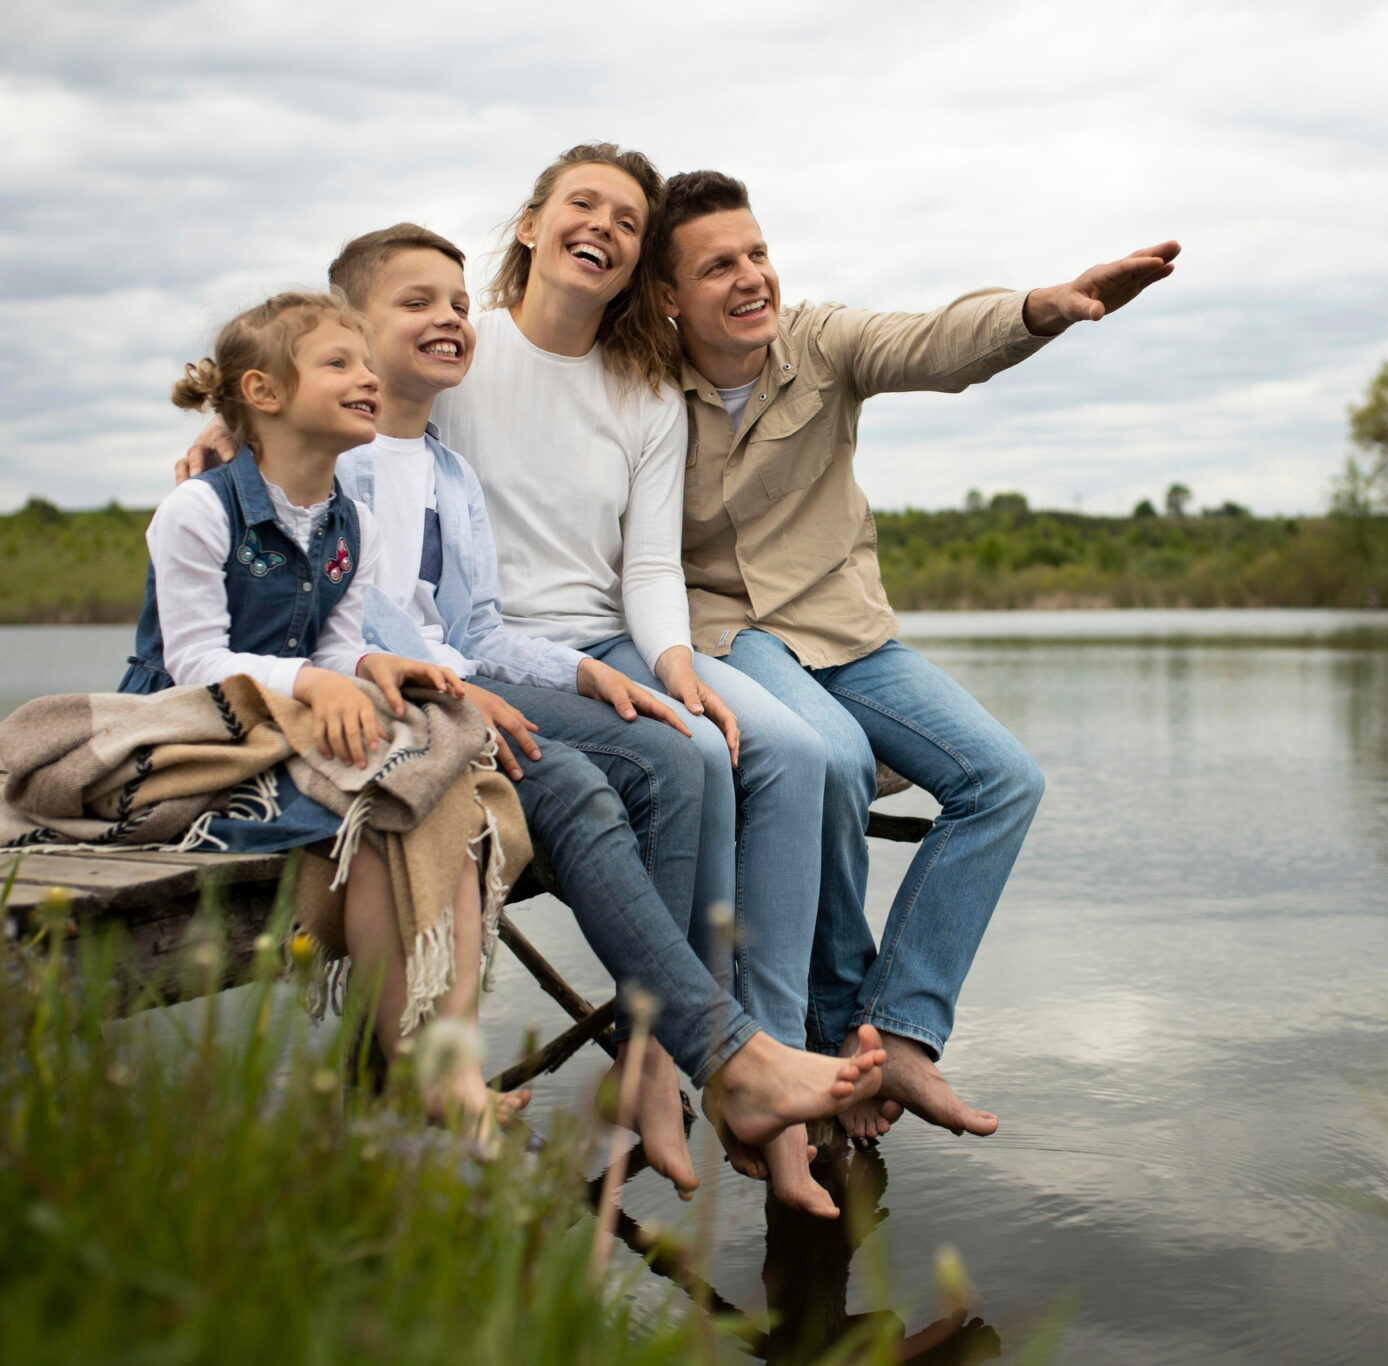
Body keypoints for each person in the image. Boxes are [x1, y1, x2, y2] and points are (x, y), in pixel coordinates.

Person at [179, 223, 887, 1202]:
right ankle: (730, 1056)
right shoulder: (309, 461)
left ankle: (662, 1055)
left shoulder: (449, 474)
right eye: (419, 303)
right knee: (577, 787)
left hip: (447, 689)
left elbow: (473, 625)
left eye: (461, 306)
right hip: (354, 710)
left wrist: (585, 672)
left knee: (680, 748)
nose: (451, 320)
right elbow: (318, 625)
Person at [653, 169, 1179, 1142]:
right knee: (832, 762)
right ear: (667, 295)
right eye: (718, 265)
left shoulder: (816, 343)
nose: (750, 278)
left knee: (1002, 779)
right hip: (727, 635)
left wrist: (1040, 309)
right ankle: (825, 1035)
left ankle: (896, 1027)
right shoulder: (640, 387)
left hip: (844, 632)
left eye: (757, 252)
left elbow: (935, 342)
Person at [428, 143, 845, 1215]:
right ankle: (673, 1060)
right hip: (476, 653)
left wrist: (672, 666)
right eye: (583, 205)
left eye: (626, 220)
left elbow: (649, 567)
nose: (604, 227)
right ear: (530, 225)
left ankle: (686, 1056)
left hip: (605, 642)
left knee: (716, 736)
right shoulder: (454, 352)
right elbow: (330, 399)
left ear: (633, 266)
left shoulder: (643, 389)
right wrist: (223, 429)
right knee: (678, 755)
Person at [126, 288, 523, 1140]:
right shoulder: (200, 510)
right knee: (382, 800)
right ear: (264, 394)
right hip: (194, 725)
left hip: (297, 724)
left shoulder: (354, 521)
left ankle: (443, 1057)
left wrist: (373, 664)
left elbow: (339, 642)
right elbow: (193, 661)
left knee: (430, 794)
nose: (365, 377)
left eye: (365, 365)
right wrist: (313, 681)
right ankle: (419, 1061)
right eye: (339, 363)